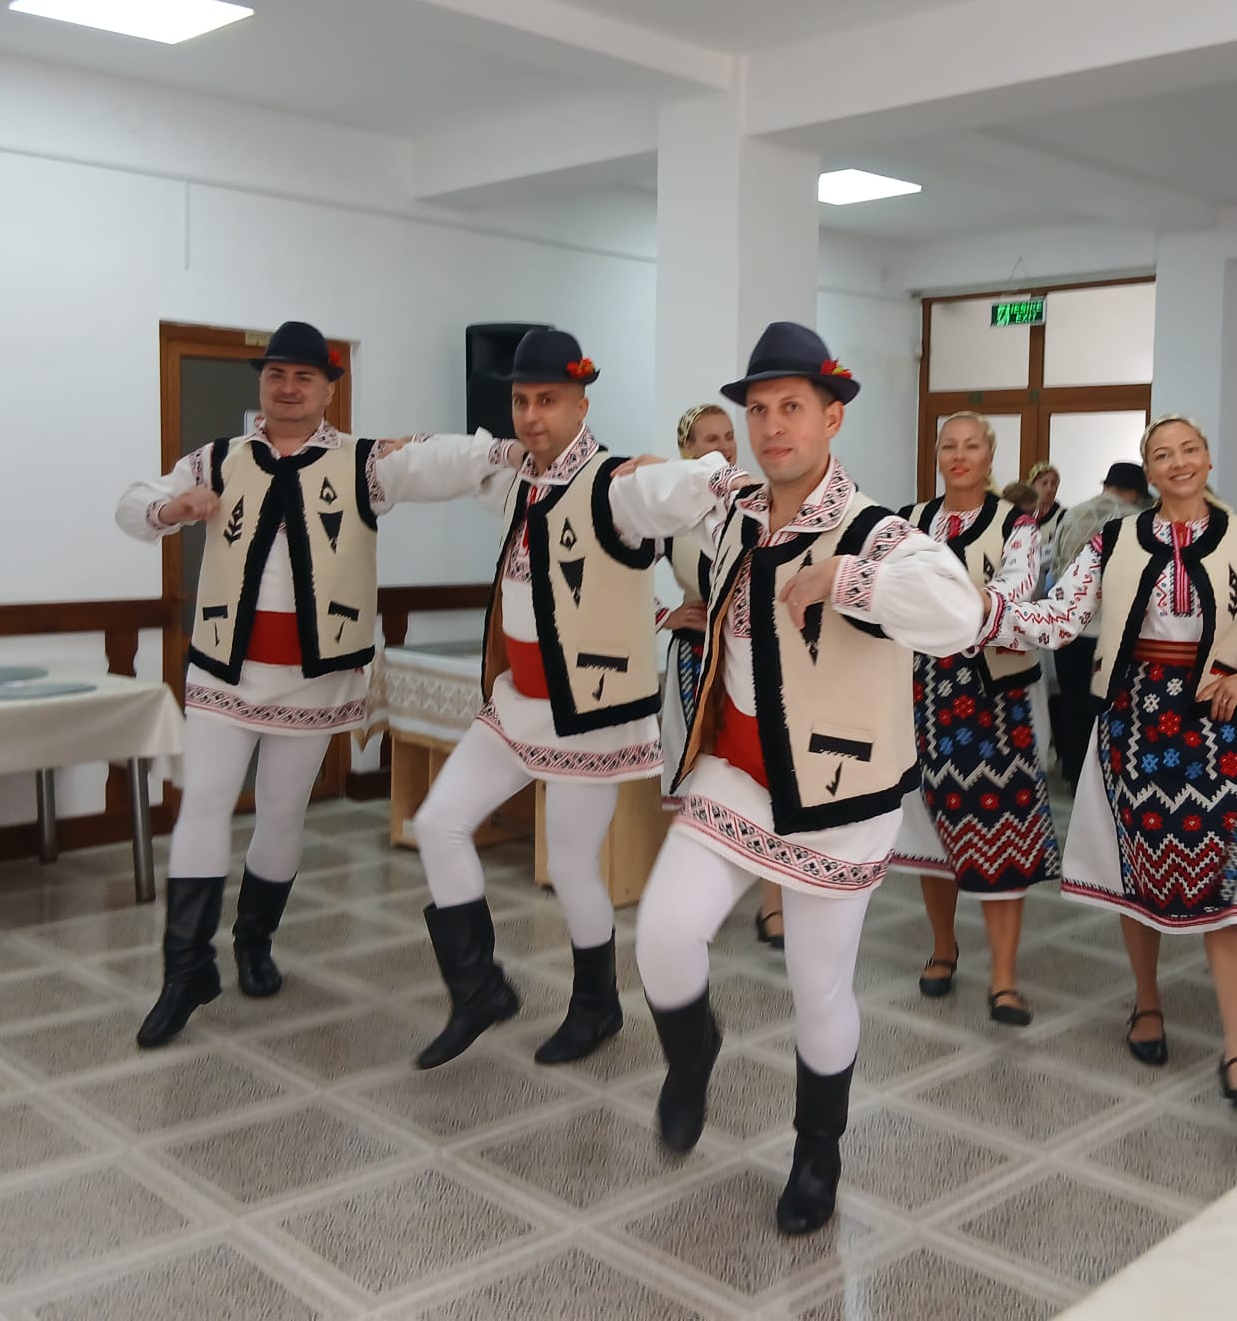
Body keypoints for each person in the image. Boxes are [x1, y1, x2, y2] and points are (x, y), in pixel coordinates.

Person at [631, 322, 981, 1237]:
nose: (772, 425)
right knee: (663, 933)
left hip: (836, 791)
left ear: (832, 418)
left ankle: (817, 1149)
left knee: (816, 985)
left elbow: (959, 614)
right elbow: (650, 501)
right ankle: (691, 1054)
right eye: (758, 409)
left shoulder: (879, 530)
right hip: (735, 773)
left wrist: (850, 580)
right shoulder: (733, 509)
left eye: (792, 406)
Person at [114, 321, 479, 1048]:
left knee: (281, 815)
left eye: (304, 377)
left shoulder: (365, 464)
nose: (288, 388)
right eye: (276, 374)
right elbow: (132, 506)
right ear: (263, 383)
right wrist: (170, 509)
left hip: (315, 678)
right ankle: (186, 970)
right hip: (224, 670)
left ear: (328, 390)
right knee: (202, 807)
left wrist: (517, 448)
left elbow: (446, 465)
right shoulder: (217, 459)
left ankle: (254, 941)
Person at [980, 416, 1237, 1117]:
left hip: (1221, 731)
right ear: (1147, 471)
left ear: (1207, 459)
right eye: (1161, 454)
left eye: (1189, 450)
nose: (1178, 463)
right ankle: (1146, 1004)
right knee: (1138, 873)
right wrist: (980, 612)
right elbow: (1060, 618)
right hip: (1135, 723)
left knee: (1230, 890)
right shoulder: (1113, 541)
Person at [403, 329, 725, 1071]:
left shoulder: (617, 485)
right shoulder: (519, 478)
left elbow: (681, 489)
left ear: (582, 404)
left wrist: (694, 469)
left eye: (547, 400)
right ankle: (478, 988)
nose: (530, 415)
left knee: (574, 866)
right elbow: (453, 461)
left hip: (590, 716)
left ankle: (596, 1004)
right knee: (438, 822)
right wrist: (387, 453)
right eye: (521, 400)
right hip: (517, 705)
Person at [892, 412, 1062, 1025]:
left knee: (1000, 824)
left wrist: (948, 606)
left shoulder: (1017, 522)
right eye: (948, 445)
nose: (959, 455)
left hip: (996, 696)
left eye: (971, 445)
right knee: (928, 823)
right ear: (936, 453)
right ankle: (943, 948)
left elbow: (1015, 590)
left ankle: (1005, 979)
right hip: (923, 690)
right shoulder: (910, 521)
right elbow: (890, 590)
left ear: (991, 456)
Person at [659, 403, 783, 948]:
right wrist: (663, 615)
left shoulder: (759, 504)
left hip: (754, 659)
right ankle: (693, 902)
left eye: (729, 436)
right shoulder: (671, 512)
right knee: (697, 772)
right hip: (695, 660)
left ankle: (772, 903)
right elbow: (612, 568)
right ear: (686, 450)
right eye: (709, 439)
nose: (724, 446)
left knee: (765, 773)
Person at [1045, 462, 1155, 783]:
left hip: (1068, 626)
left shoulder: (1071, 514)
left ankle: (1072, 770)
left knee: (1071, 701)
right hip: (1109, 629)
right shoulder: (1134, 519)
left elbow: (1055, 566)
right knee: (1107, 705)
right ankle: (1102, 777)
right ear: (1134, 491)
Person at [1027, 462, 1065, 543]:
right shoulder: (1023, 513)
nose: (1049, 489)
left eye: (1053, 484)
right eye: (1044, 483)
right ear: (1032, 485)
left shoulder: (1063, 516)